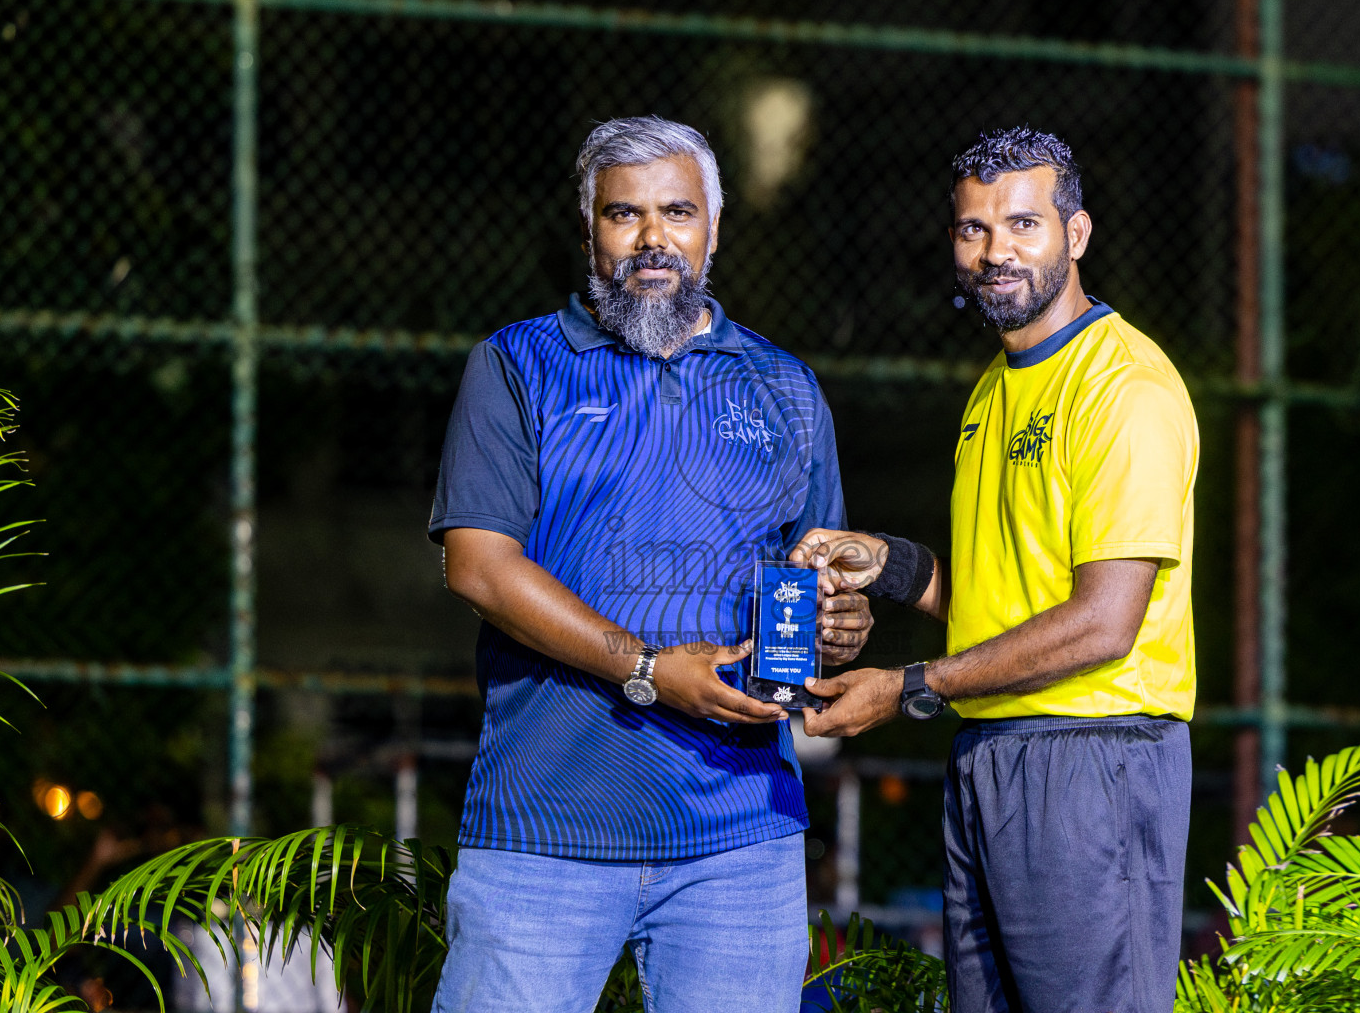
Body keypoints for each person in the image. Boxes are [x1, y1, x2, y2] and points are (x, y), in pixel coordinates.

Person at [425, 116, 872, 1013]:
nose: (653, 238)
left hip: (740, 837)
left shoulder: (784, 384)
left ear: (714, 225)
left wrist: (841, 626)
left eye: (678, 211)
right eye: (624, 215)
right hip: (543, 827)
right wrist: (647, 670)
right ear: (589, 227)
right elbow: (477, 567)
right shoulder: (516, 364)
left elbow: (818, 577)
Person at [791, 127, 1198, 1013]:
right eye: (974, 230)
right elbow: (999, 599)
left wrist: (907, 688)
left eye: (1023, 224)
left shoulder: (1122, 387)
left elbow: (1102, 622)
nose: (995, 252)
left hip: (1095, 756)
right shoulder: (994, 388)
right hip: (991, 753)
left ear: (1076, 234)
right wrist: (892, 565)